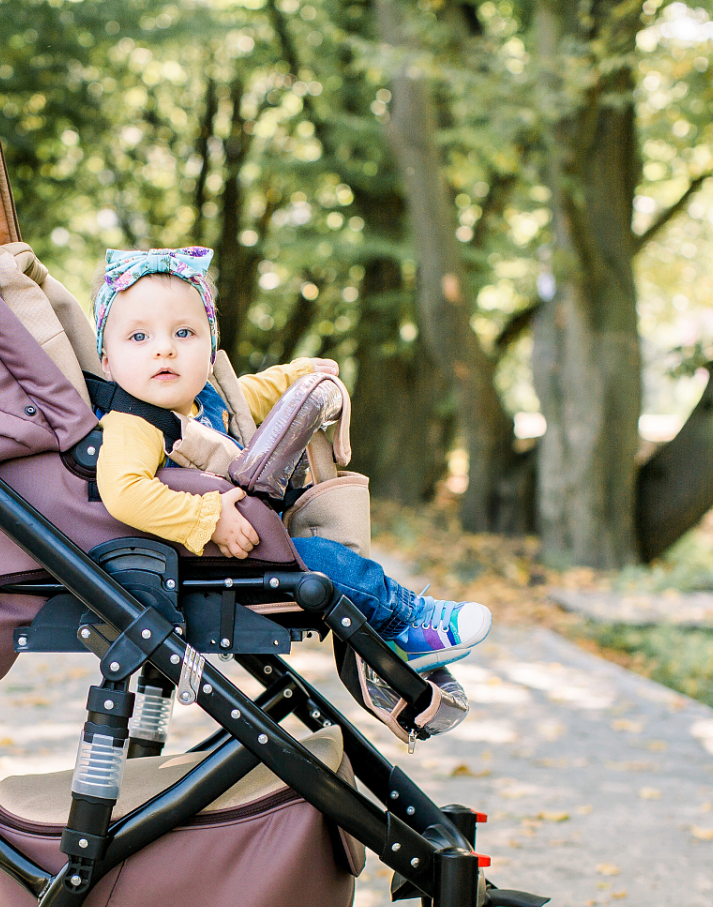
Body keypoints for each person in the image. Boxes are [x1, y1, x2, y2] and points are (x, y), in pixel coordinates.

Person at [90, 246, 491, 671]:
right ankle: (408, 623)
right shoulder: (133, 423)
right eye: (139, 337)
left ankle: (394, 625)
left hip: (242, 547)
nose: (164, 350)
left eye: (184, 333)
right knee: (320, 561)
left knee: (322, 552)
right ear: (107, 362)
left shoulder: (205, 399)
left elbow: (257, 393)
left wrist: (302, 374)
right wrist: (205, 519)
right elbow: (123, 492)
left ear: (210, 350)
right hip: (196, 561)